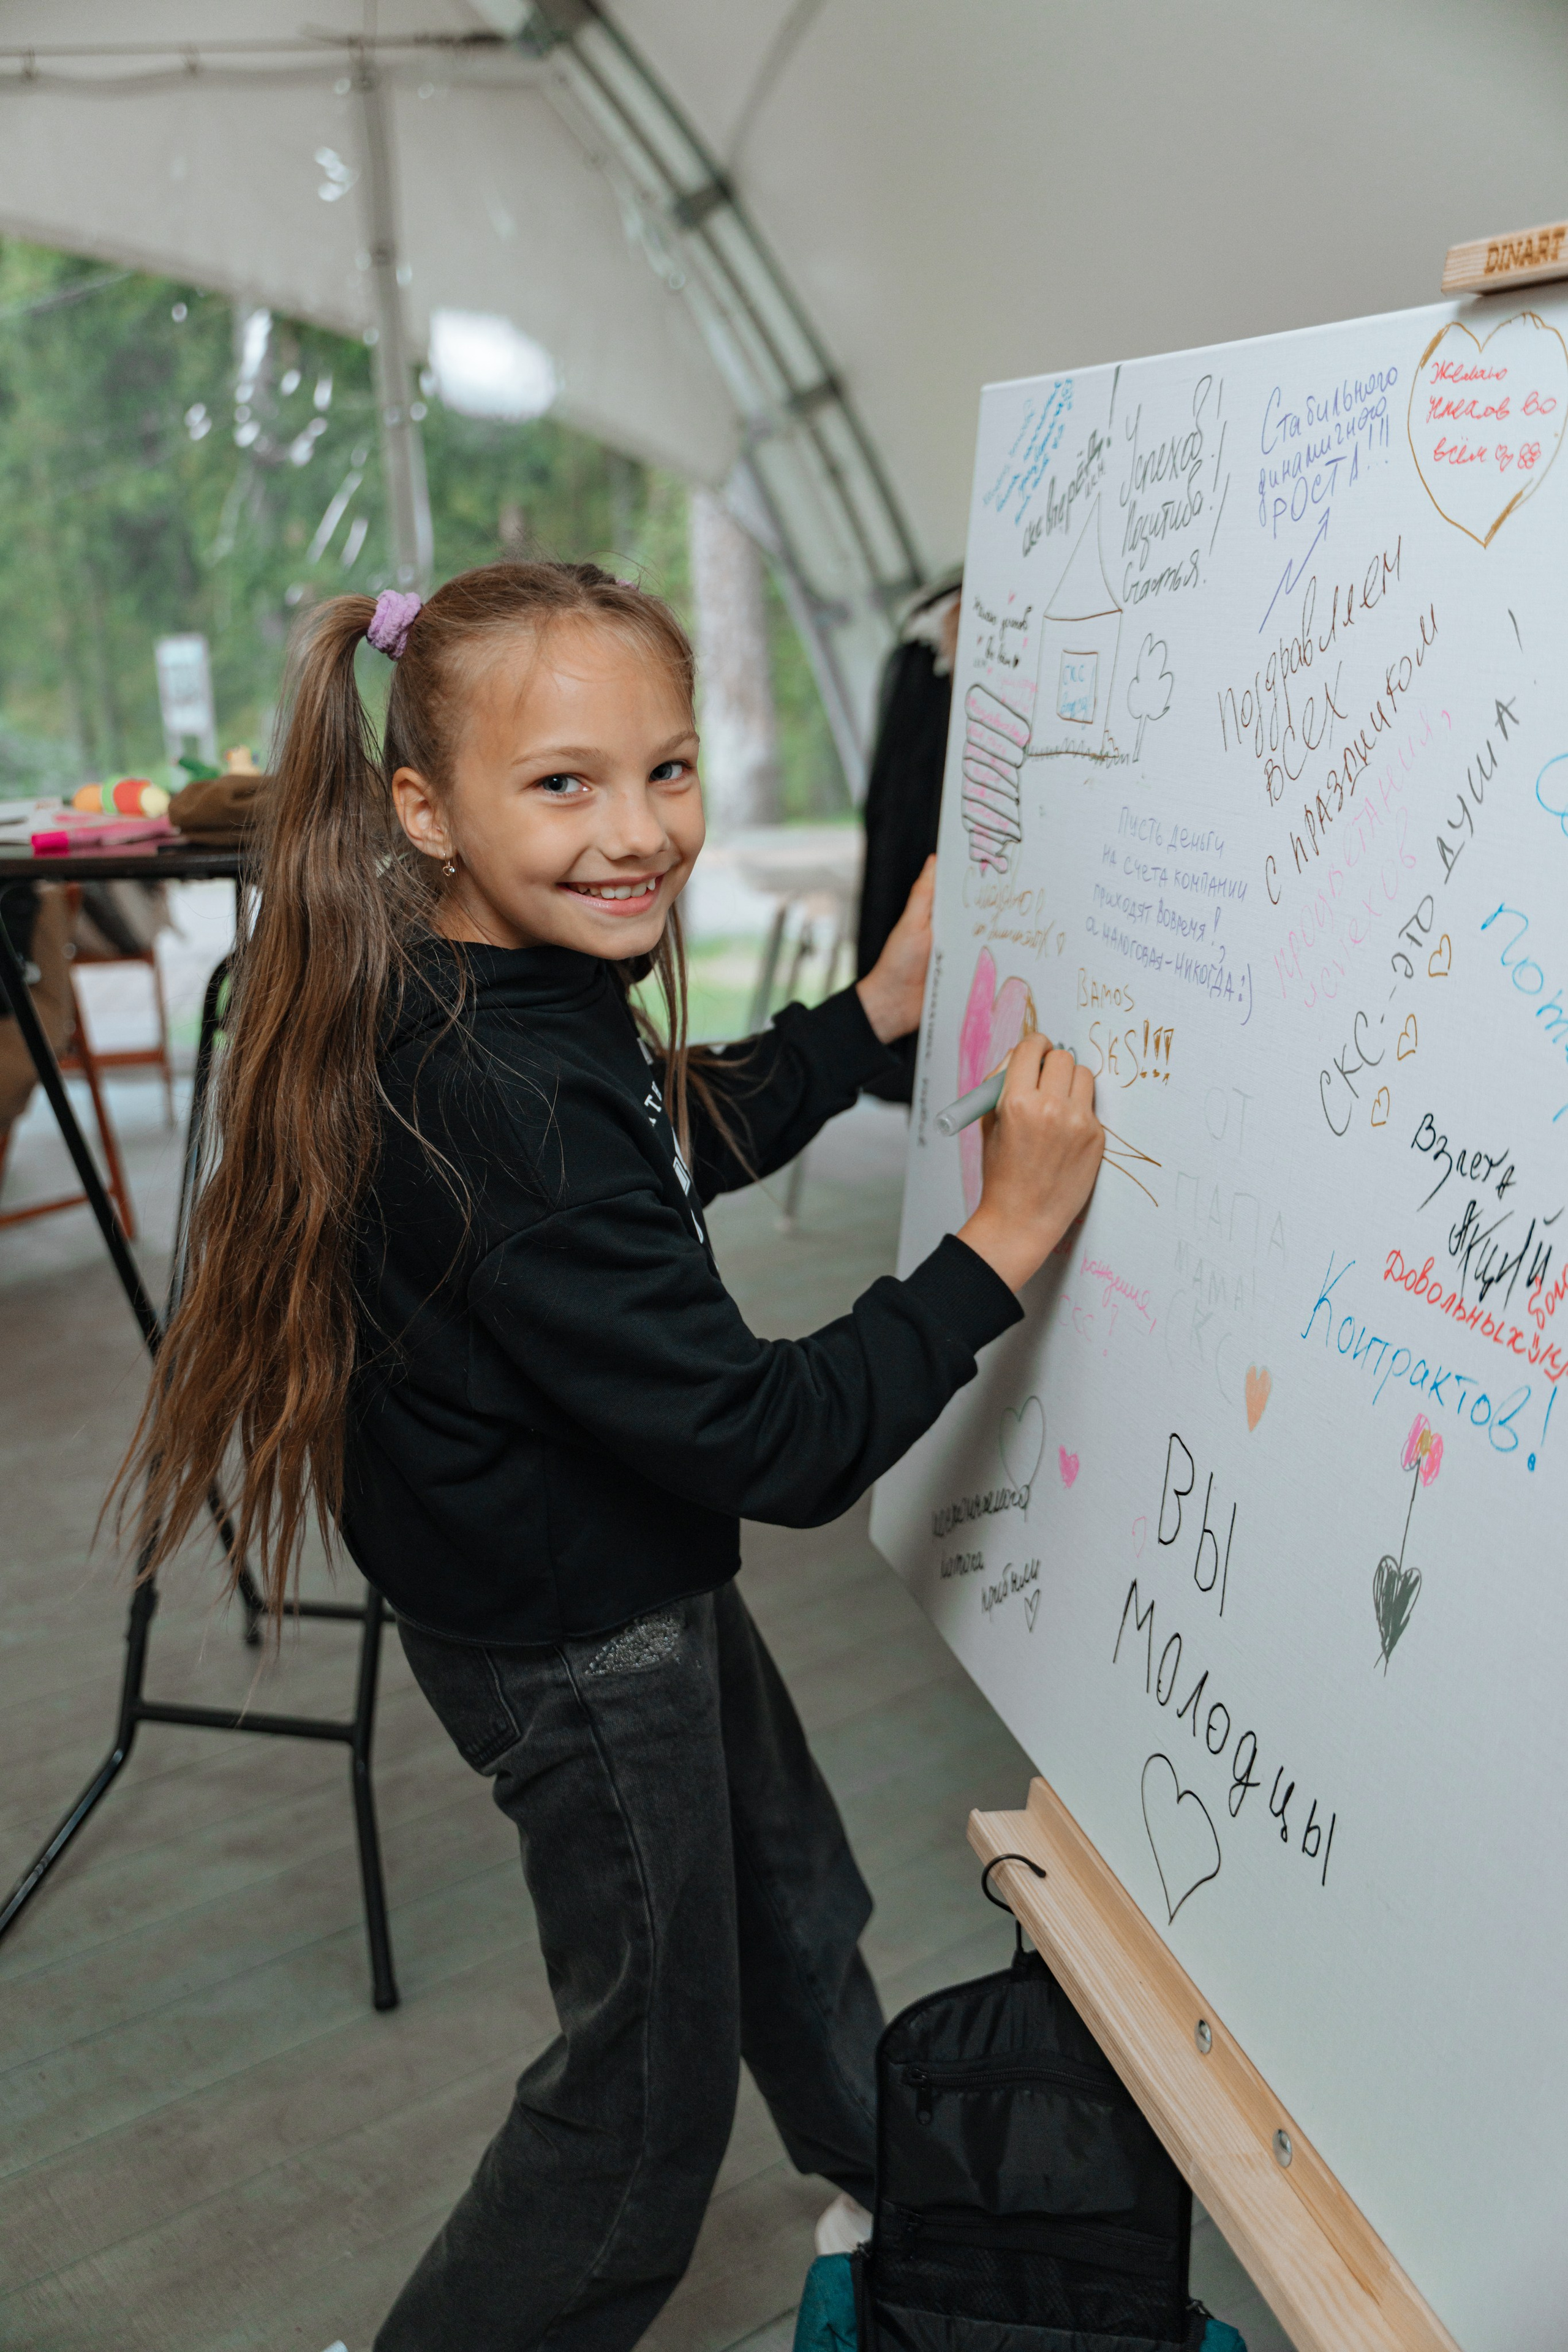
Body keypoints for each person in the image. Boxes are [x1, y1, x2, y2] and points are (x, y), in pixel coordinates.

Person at [119, 562, 1104, 2352]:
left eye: (667, 769)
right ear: (423, 809)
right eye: (564, 783)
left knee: (794, 1908)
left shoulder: (501, 982)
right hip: (579, 1642)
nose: (639, 832)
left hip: (608, 1578)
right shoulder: (495, 1090)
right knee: (640, 2122)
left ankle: (892, 2203)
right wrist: (997, 1251)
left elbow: (659, 1130)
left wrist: (866, 1017)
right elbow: (770, 1436)